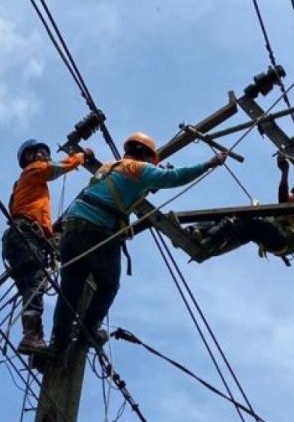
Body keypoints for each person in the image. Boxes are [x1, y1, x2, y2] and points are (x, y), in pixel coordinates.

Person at [46, 131, 228, 358]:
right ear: (146, 155)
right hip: (97, 232)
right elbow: (174, 177)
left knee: (69, 293)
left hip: (72, 232)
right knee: (108, 285)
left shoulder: (109, 167)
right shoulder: (138, 168)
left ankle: (56, 348)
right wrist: (209, 164)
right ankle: (87, 333)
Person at [2, 139, 89, 355]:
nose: (46, 158)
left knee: (31, 289)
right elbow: (58, 168)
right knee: (35, 284)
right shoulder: (34, 170)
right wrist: (82, 156)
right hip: (25, 236)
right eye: (41, 153)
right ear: (30, 156)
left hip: (18, 239)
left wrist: (50, 238)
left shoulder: (25, 187)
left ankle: (35, 338)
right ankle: (32, 336)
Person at [196, 156, 294, 259]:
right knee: (239, 220)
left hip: (287, 240)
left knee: (253, 224)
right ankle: (197, 232)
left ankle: (209, 243)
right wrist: (285, 172)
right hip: (275, 230)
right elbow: (284, 203)